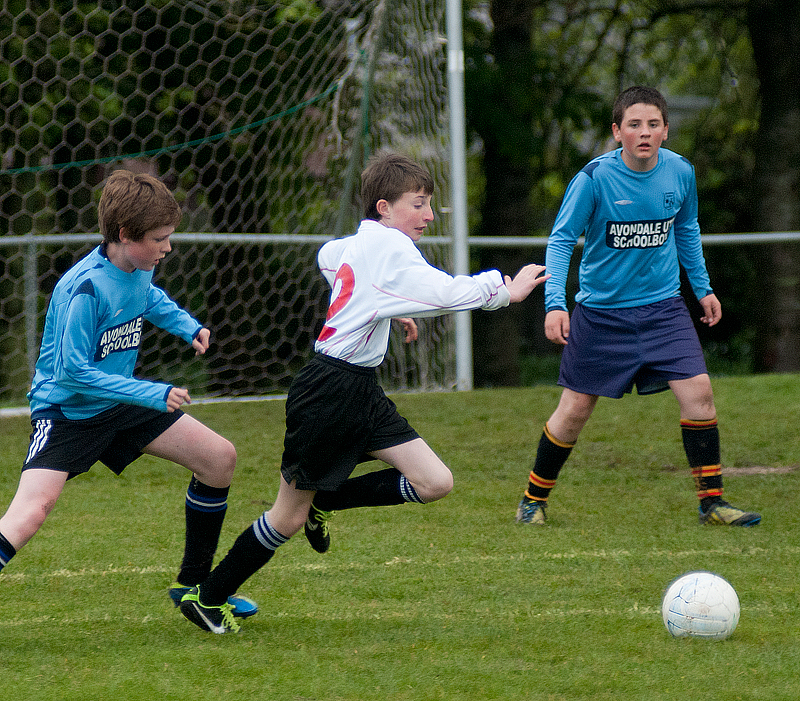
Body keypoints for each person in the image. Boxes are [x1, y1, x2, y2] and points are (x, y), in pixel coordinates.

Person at [179, 151, 550, 633]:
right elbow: (443, 291)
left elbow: (327, 258)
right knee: (287, 517)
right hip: (329, 392)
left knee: (434, 481)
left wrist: (384, 306)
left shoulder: (364, 242)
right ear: (384, 207)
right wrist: (505, 291)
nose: (429, 215)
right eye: (418, 204)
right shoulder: (390, 248)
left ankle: (327, 501)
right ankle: (209, 598)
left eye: (429, 203)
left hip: (360, 390)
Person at [0, 170, 256, 618]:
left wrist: (188, 326)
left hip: (121, 403)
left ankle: (194, 587)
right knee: (29, 514)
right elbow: (72, 373)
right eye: (159, 238)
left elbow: (148, 298)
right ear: (124, 234)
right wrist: (151, 393)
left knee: (219, 458)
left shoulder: (138, 269)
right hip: (67, 412)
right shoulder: (84, 289)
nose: (167, 247)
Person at [514, 86, 760, 528]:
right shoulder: (593, 178)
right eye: (634, 124)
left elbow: (686, 229)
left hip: (664, 309)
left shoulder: (680, 172)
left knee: (699, 394)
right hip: (601, 315)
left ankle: (712, 504)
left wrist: (702, 289)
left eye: (652, 124)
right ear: (617, 132)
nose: (644, 132)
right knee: (574, 410)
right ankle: (533, 501)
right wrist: (555, 304)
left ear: (665, 131)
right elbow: (562, 240)